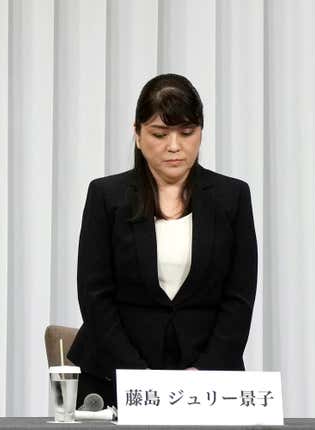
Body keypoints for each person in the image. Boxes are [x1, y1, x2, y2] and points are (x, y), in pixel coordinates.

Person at [68, 74, 257, 407]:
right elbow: (95, 296)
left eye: (187, 133)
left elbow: (238, 298)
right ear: (138, 135)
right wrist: (137, 375)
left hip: (207, 382)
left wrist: (205, 372)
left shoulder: (232, 197)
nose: (174, 146)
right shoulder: (106, 196)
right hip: (115, 375)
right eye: (159, 133)